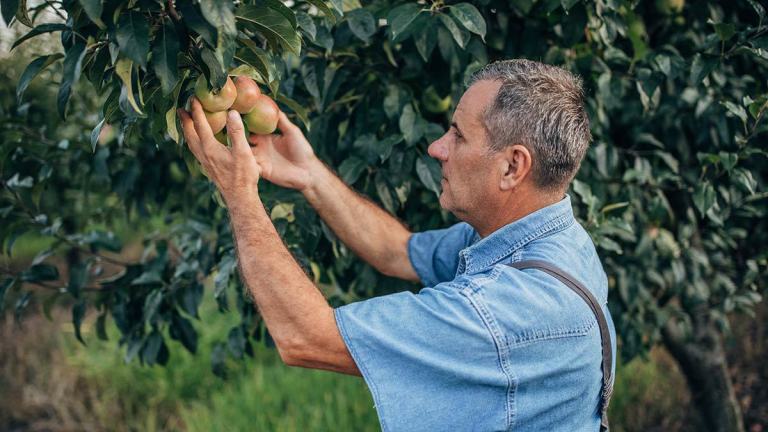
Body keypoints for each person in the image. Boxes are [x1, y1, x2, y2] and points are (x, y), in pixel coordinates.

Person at [178, 59, 616, 432]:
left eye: (459, 136)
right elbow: (398, 250)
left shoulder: (505, 313)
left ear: (512, 167)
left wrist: (239, 192)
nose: (437, 147)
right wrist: (310, 173)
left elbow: (305, 337)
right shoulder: (545, 238)